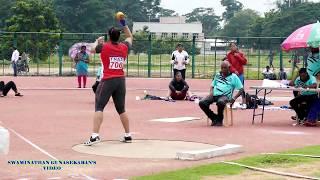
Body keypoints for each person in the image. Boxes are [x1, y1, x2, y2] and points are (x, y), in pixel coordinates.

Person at [84, 15, 133, 145]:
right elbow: (130, 37)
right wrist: (124, 23)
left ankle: (95, 136)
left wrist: (97, 41)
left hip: (108, 80)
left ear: (109, 36)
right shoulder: (124, 47)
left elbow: (91, 50)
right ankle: (128, 135)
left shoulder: (104, 47)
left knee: (99, 107)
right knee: (121, 109)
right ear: (118, 36)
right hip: (121, 81)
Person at [199, 61, 244, 126]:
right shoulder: (218, 75)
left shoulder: (234, 77)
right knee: (202, 102)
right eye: (222, 68)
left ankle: (220, 119)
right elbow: (212, 86)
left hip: (225, 96)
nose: (223, 69)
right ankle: (214, 117)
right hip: (214, 94)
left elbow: (241, 89)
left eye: (225, 68)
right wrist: (211, 92)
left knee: (220, 102)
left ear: (229, 68)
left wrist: (234, 98)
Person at [225, 42, 247, 109]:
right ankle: (230, 102)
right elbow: (229, 65)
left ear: (236, 47)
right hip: (233, 74)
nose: (233, 48)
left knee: (241, 88)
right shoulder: (229, 55)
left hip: (240, 74)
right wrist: (234, 70)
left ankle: (244, 103)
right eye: (231, 47)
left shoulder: (240, 54)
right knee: (230, 88)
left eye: (234, 46)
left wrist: (238, 56)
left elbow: (244, 62)